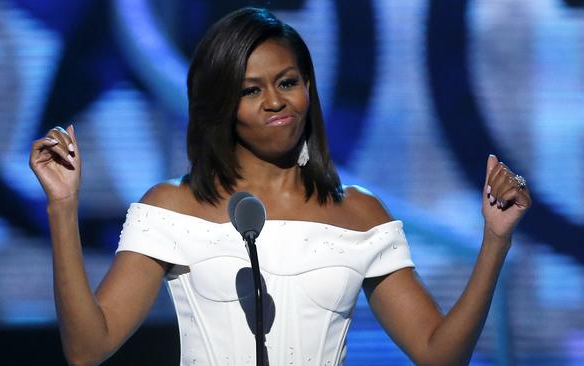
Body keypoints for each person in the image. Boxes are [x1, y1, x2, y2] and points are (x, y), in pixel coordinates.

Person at [29, 7, 531, 366]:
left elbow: (438, 353)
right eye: (250, 90)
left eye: (287, 82)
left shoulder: (360, 215)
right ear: (221, 105)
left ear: (309, 88)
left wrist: (495, 241)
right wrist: (63, 207)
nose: (275, 101)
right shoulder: (172, 207)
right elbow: (87, 348)